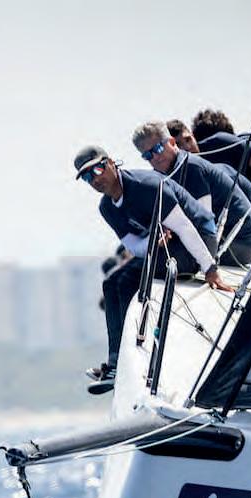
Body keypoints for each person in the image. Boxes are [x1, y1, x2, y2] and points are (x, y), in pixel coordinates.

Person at [74, 145, 230, 394]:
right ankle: (115, 362)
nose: (95, 179)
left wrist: (210, 268)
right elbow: (134, 246)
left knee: (128, 280)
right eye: (86, 177)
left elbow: (186, 228)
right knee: (112, 282)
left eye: (98, 170)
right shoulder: (107, 208)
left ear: (111, 162)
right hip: (167, 246)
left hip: (199, 239)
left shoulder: (147, 186)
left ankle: (126, 359)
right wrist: (152, 241)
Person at [132, 120, 251, 267]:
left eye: (158, 148)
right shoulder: (170, 172)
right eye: (148, 155)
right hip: (227, 241)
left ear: (172, 142)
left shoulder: (191, 168)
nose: (155, 157)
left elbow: (205, 225)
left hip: (242, 246)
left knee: (155, 263)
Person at [169, 118, 251, 226]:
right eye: (179, 145)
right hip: (242, 227)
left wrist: (250, 206)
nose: (187, 147)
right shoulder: (178, 181)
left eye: (188, 139)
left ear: (193, 135)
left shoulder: (219, 143)